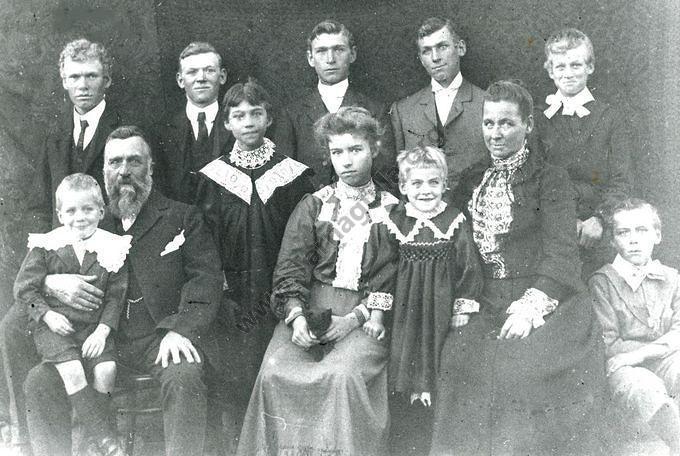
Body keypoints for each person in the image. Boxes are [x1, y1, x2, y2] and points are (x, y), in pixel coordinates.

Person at [22, 126, 223, 456]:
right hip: (95, 340)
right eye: (115, 162)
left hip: (157, 339)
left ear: (151, 168)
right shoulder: (87, 219)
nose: (125, 171)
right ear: (104, 171)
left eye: (134, 161)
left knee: (184, 376)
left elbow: (206, 279)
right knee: (39, 382)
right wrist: (47, 283)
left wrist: (180, 329)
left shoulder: (181, 216)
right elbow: (36, 274)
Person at [430, 81, 605, 455]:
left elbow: (562, 252)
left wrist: (530, 308)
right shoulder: (473, 178)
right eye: (489, 123)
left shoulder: (549, 179)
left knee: (519, 371)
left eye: (506, 124)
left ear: (527, 125)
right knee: (458, 361)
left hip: (547, 297)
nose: (495, 133)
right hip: (485, 296)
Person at [237, 107, 399, 456]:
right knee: (274, 374)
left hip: (366, 317)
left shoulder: (393, 210)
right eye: (337, 152)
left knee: (339, 377)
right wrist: (295, 317)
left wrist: (354, 319)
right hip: (310, 309)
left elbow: (393, 277)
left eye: (355, 149)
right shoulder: (313, 206)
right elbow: (290, 269)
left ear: (374, 148)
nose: (346, 160)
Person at [0, 38, 122, 450]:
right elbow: (37, 208)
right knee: (13, 326)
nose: (83, 85)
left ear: (107, 79)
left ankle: (97, 438)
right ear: (63, 81)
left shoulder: (125, 133)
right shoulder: (55, 137)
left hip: (104, 269)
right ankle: (37, 445)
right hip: (55, 267)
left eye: (91, 76)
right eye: (74, 77)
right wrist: (50, 276)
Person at [196, 78, 314, 449]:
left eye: (255, 113)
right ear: (227, 123)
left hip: (279, 288)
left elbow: (304, 240)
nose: (247, 121)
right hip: (233, 293)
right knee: (237, 367)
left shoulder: (293, 174)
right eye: (238, 115)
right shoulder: (213, 178)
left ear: (269, 119)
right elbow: (205, 241)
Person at [14, 173, 129, 455]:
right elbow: (24, 290)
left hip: (93, 329)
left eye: (88, 209)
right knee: (74, 371)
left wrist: (103, 331)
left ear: (101, 211)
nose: (80, 217)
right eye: (71, 210)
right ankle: (105, 439)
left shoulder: (112, 246)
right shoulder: (47, 245)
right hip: (55, 328)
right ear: (59, 213)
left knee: (107, 369)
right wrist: (47, 315)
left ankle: (90, 444)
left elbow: (116, 295)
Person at [379, 146, 483, 453]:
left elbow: (468, 265)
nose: (426, 191)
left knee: (438, 363)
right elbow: (384, 268)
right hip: (405, 311)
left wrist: (463, 305)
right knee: (404, 363)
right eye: (417, 184)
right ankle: (405, 436)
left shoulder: (454, 220)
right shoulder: (394, 220)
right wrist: (376, 314)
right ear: (403, 186)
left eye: (433, 183)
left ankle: (436, 439)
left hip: (439, 309)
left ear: (445, 184)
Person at [536, 28, 634, 276]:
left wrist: (600, 219)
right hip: (552, 229)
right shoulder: (539, 118)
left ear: (590, 67)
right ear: (550, 71)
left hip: (598, 230)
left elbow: (622, 180)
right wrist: (563, 223)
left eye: (576, 65)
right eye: (560, 67)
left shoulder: (610, 118)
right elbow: (534, 179)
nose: (568, 74)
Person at [590, 198, 680, 455]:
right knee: (643, 388)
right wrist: (636, 357)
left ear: (658, 235)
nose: (633, 239)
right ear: (612, 241)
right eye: (623, 232)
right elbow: (609, 342)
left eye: (642, 230)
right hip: (625, 365)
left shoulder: (672, 278)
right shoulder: (603, 282)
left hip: (662, 357)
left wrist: (642, 352)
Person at [272, 19, 396, 191]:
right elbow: (283, 177)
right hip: (310, 211)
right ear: (310, 58)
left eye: (338, 49)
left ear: (352, 54)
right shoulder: (291, 114)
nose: (330, 59)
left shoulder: (375, 110)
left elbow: (386, 173)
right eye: (321, 51)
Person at [390, 17, 488, 209]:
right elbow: (398, 176)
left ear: (460, 48)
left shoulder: (488, 103)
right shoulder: (403, 110)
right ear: (420, 58)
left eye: (442, 47)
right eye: (427, 51)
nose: (435, 57)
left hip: (475, 217)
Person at [155, 42, 234, 204]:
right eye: (192, 72)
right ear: (180, 80)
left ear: (222, 76)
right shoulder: (162, 130)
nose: (201, 78)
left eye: (209, 70)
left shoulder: (238, 125)